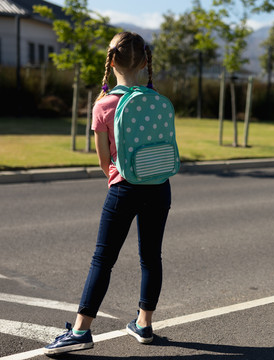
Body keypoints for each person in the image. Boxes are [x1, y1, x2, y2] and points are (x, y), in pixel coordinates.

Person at [44, 32, 172, 355]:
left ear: (111, 60)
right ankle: (144, 324)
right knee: (151, 257)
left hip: (123, 187)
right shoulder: (154, 99)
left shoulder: (103, 105)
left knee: (103, 259)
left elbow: (104, 160)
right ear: (145, 62)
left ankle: (80, 331)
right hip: (159, 186)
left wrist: (117, 178)